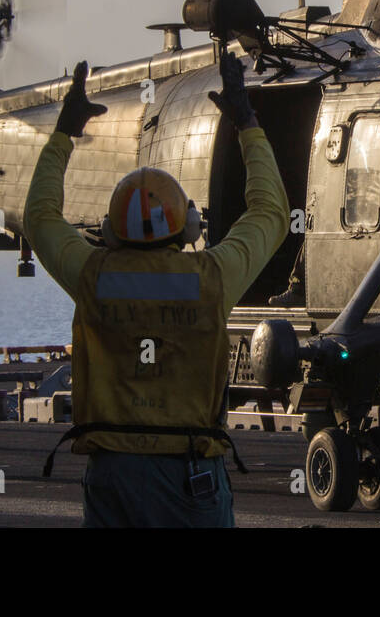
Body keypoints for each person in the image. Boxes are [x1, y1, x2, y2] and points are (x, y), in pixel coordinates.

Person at [24, 53, 289, 527]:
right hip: (189, 477)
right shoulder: (211, 277)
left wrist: (64, 131)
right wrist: (246, 121)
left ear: (110, 230)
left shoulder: (92, 275)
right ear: (187, 226)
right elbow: (270, 212)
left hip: (112, 478)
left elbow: (40, 218)